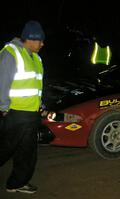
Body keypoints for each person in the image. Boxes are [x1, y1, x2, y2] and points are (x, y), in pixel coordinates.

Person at [0, 20, 45, 194]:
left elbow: (34, 85)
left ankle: (16, 183)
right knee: (4, 149)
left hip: (31, 114)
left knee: (27, 152)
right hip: (15, 114)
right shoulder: (11, 53)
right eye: (40, 40)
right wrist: (4, 109)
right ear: (31, 39)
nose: (42, 44)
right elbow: (2, 83)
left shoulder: (36, 58)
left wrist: (40, 104)